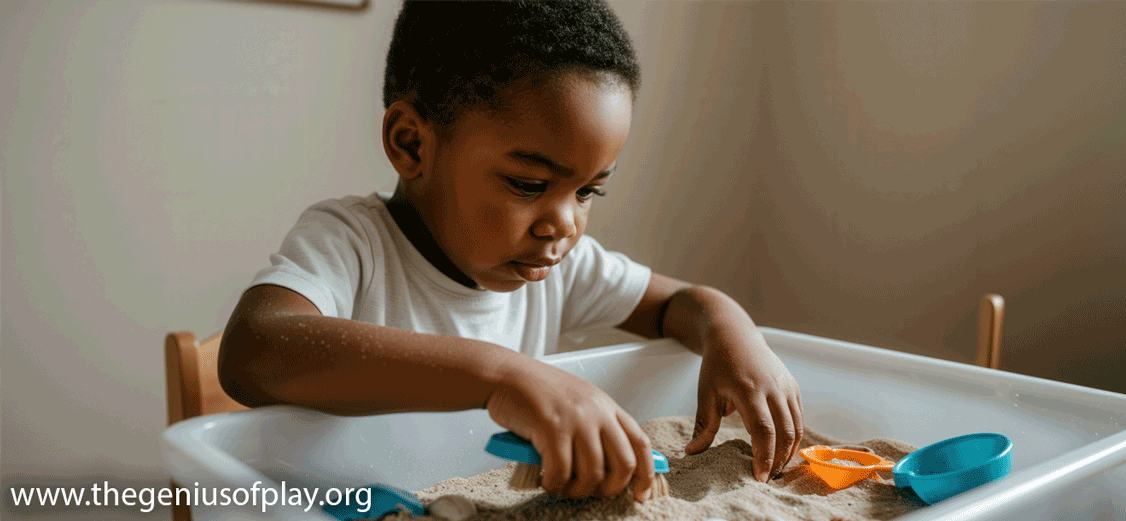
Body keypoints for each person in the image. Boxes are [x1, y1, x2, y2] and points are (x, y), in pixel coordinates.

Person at [218, 0, 801, 504]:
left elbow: (682, 304)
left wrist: (733, 332)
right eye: (528, 185)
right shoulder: (353, 243)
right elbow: (253, 349)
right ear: (411, 144)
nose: (564, 223)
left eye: (590, 190)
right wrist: (504, 376)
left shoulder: (560, 267)